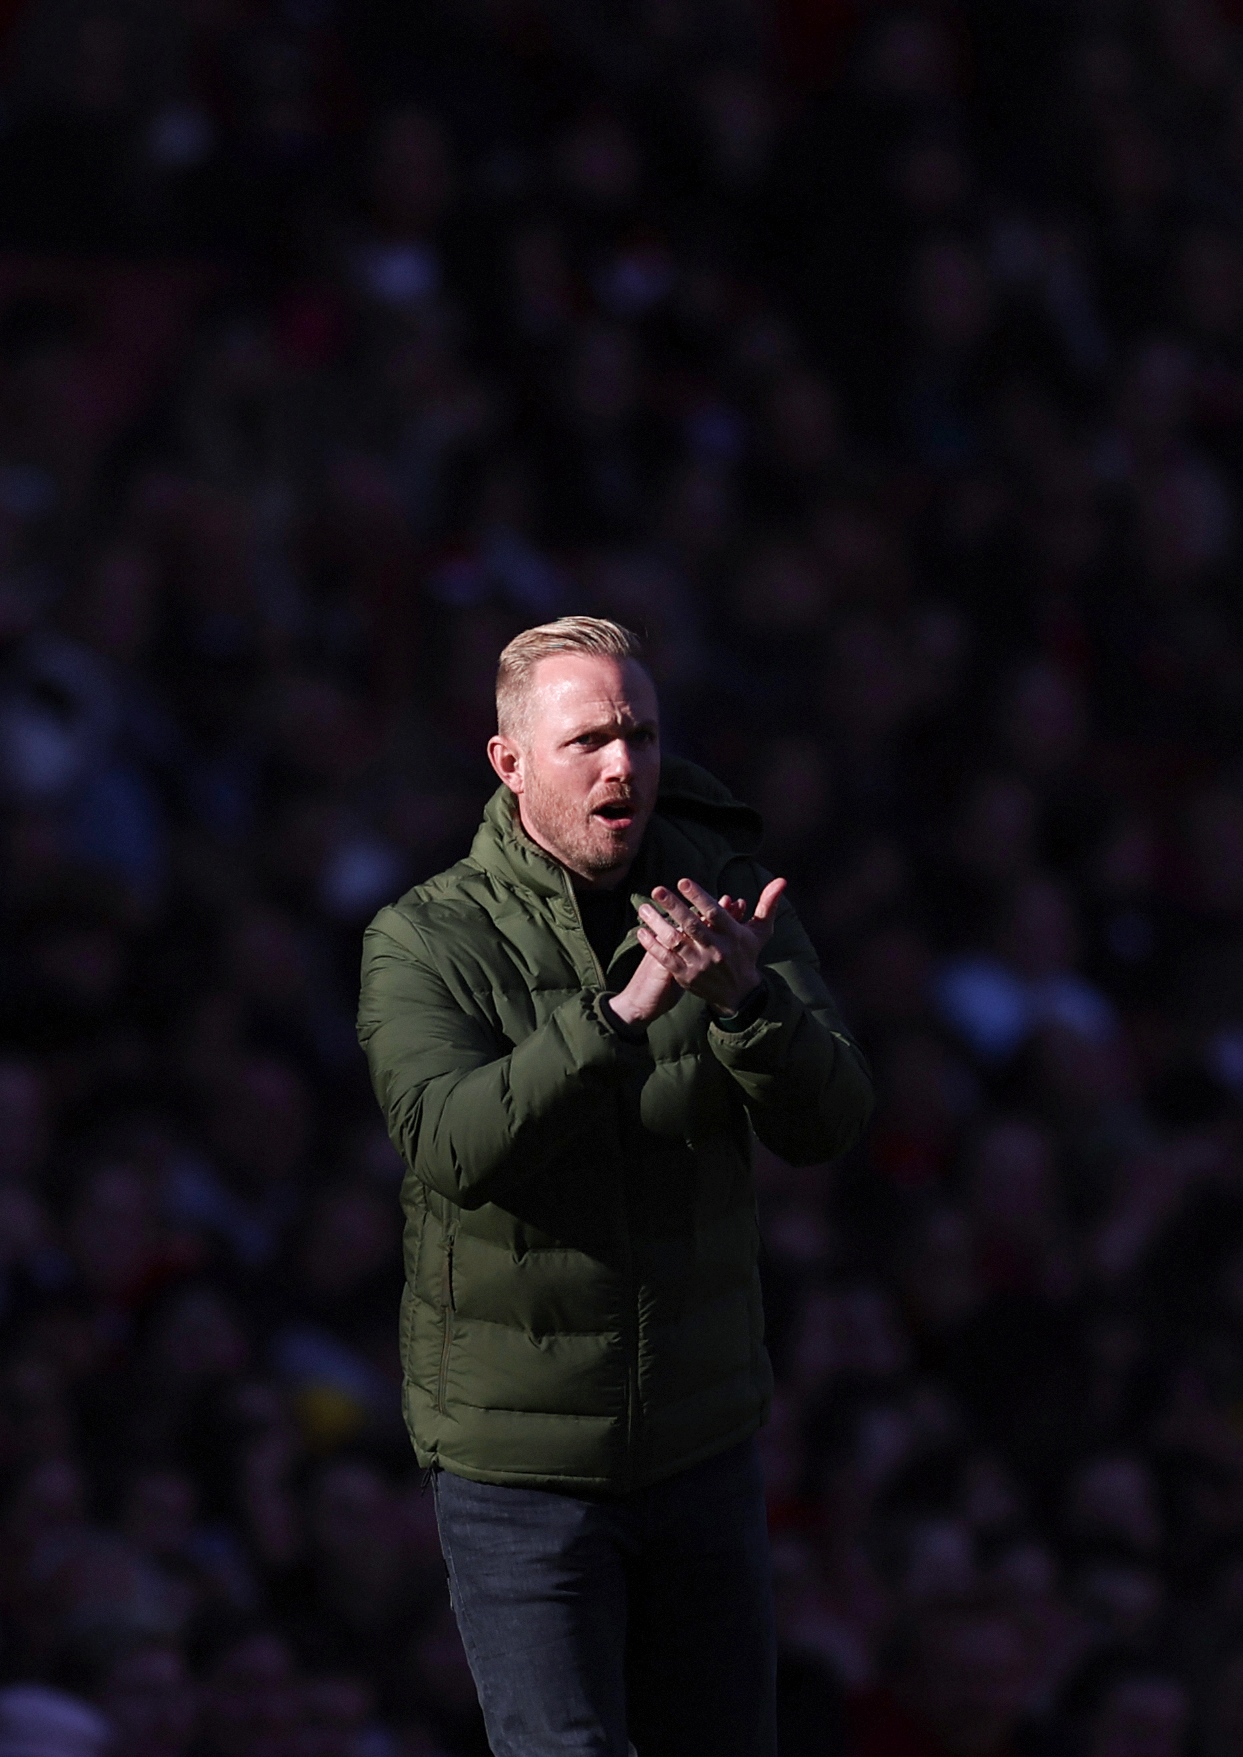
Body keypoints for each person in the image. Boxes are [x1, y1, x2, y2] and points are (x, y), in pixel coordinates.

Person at [355, 615, 872, 1755]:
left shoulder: (728, 896)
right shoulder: (423, 940)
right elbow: (452, 1143)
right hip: (519, 1473)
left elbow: (832, 1119)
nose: (620, 765)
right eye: (586, 738)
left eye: (636, 733)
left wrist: (747, 1009)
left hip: (698, 1445)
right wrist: (619, 1015)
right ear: (509, 762)